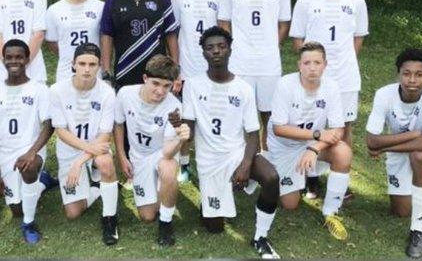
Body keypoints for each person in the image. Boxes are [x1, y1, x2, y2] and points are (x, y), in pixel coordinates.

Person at [180, 26, 280, 258]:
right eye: (210, 48)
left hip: (236, 154)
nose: (216, 51)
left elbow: (253, 133)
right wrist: (179, 128)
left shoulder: (243, 88)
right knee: (214, 227)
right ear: (203, 53)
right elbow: (189, 128)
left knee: (272, 177)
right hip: (209, 160)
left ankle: (260, 237)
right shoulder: (193, 85)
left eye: (221, 46)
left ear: (230, 50)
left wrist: (245, 164)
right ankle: (210, 202)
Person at [289, 0, 368, 199]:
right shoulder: (306, 0)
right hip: (313, 76)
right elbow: (298, 40)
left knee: (343, 127)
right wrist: (312, 68)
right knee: (312, 123)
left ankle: (339, 182)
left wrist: (340, 62)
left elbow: (357, 39)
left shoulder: (355, 0)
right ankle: (310, 179)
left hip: (345, 77)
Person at [366, 48, 422, 258]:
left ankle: (420, 231)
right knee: (401, 211)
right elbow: (370, 139)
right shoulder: (384, 94)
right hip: (402, 149)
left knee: (419, 156)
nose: (412, 80)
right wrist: (413, 134)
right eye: (406, 73)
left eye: (419, 75)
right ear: (398, 74)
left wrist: (383, 147)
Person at [268, 41, 352, 241]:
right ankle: (270, 169)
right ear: (299, 65)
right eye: (307, 63)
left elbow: (338, 128)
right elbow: (278, 128)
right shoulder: (285, 84)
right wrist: (316, 135)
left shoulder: (331, 87)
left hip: (313, 145)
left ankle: (330, 212)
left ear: (325, 65)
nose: (312, 68)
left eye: (317, 62)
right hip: (285, 147)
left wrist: (314, 148)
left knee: (343, 152)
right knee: (290, 205)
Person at [218, 0, 291, 152]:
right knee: (240, 112)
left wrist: (272, 45)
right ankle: (244, 161)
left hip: (269, 63)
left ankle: (266, 158)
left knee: (268, 113)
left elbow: (284, 22)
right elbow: (224, 22)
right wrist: (232, 48)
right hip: (241, 61)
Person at [114, 55, 189, 246]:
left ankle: (166, 224)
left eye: (166, 85)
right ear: (145, 78)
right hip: (138, 157)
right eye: (156, 83)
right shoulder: (125, 94)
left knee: (169, 167)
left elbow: (167, 153)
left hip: (160, 153)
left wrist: (181, 139)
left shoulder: (174, 108)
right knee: (147, 216)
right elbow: (119, 125)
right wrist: (122, 156)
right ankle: (162, 193)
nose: (160, 91)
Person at [49, 43, 119, 245]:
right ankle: (97, 188)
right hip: (71, 150)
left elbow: (105, 135)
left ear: (99, 66)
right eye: (82, 63)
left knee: (105, 163)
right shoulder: (56, 90)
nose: (87, 69)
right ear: (73, 65)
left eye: (92, 64)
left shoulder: (107, 92)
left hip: (96, 149)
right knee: (73, 212)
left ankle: (110, 219)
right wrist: (81, 156)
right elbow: (61, 131)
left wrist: (80, 162)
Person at [0, 39, 52, 244]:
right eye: (9, 57)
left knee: (29, 167)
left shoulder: (39, 89)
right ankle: (43, 183)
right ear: (3, 60)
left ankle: (29, 223)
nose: (14, 61)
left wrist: (32, 152)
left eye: (19, 57)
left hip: (31, 150)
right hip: (6, 155)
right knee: (16, 208)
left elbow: (49, 125)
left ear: (27, 59)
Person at [171, 0, 221, 182]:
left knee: (212, 115)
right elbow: (173, 33)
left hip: (212, 67)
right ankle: (183, 163)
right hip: (188, 68)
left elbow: (224, 33)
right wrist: (177, 68)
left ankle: (210, 161)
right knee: (186, 118)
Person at [100, 0, 180, 91]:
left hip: (158, 72)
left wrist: (176, 69)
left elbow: (171, 35)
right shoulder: (113, 0)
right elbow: (107, 35)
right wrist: (106, 72)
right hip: (125, 70)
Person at [46, 0, 104, 82]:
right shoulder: (54, 10)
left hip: (94, 72)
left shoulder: (100, 7)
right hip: (65, 72)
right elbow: (52, 43)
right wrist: (69, 55)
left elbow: (105, 39)